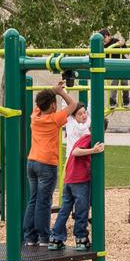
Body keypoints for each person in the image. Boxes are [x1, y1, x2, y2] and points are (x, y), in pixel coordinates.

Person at [23, 81, 80, 247]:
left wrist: (52, 92)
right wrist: (60, 92)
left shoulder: (35, 116)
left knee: (33, 199)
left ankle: (30, 237)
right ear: (54, 105)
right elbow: (73, 104)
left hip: (32, 162)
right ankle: (43, 237)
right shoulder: (55, 119)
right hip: (47, 164)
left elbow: (41, 102)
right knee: (44, 201)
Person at [48, 104, 105, 251]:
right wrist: (94, 150)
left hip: (70, 179)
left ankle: (56, 238)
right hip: (79, 180)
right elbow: (76, 152)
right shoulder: (89, 138)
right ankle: (81, 238)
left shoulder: (85, 136)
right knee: (82, 209)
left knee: (65, 209)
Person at [104, 34, 130, 107]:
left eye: (104, 37)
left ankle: (126, 101)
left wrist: (122, 43)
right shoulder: (103, 46)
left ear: (108, 36)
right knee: (114, 83)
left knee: (124, 82)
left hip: (122, 65)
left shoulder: (114, 41)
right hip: (114, 67)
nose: (103, 40)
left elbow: (124, 47)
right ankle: (112, 101)